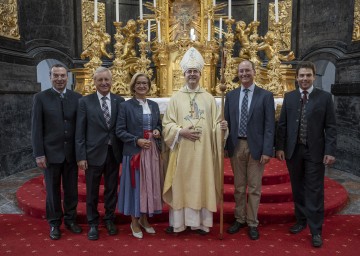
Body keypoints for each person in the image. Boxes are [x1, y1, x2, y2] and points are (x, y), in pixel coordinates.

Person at [162, 47, 228, 235]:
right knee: (181, 184)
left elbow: (215, 124)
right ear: (184, 74)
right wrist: (180, 131)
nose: (192, 74)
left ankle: (201, 223)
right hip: (181, 152)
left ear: (200, 73)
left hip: (202, 154)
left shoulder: (209, 99)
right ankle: (179, 223)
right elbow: (167, 124)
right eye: (189, 71)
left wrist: (221, 128)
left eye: (195, 71)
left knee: (201, 182)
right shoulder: (175, 99)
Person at [275, 61, 337, 248]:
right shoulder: (290, 97)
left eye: (308, 75)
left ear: (313, 76)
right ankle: (301, 220)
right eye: (301, 75)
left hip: (315, 152)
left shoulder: (325, 98)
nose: (304, 79)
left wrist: (330, 151)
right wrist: (280, 148)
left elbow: (331, 127)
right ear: (296, 78)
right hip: (294, 151)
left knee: (315, 190)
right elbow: (282, 125)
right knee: (298, 188)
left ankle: (316, 230)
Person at [224, 60, 275, 240]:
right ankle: (240, 218)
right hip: (236, 145)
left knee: (254, 187)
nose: (244, 73)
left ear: (254, 72)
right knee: (238, 187)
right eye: (241, 71)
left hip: (256, 147)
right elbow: (227, 122)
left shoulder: (266, 96)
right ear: (237, 73)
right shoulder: (230, 96)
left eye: (247, 70)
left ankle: (252, 222)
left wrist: (267, 150)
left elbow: (270, 126)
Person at [31, 64, 82, 240]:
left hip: (71, 154)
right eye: (56, 76)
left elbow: (80, 128)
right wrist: (39, 153)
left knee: (71, 190)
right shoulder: (41, 98)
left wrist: (81, 153)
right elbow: (36, 128)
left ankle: (70, 220)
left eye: (62, 75)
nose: (59, 79)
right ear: (50, 77)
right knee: (52, 192)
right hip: (50, 153)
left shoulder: (77, 98)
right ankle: (54, 223)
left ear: (67, 77)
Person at [75, 67, 125, 240]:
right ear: (94, 82)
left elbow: (121, 129)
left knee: (111, 190)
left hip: (113, 153)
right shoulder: (85, 102)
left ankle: (109, 219)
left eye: (107, 80)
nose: (104, 83)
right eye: (100, 80)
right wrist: (81, 156)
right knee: (92, 192)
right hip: (92, 154)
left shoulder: (120, 101)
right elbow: (79, 132)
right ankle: (93, 223)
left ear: (112, 81)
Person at [116, 72, 163, 239]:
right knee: (136, 187)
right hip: (135, 152)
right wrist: (137, 140)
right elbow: (120, 131)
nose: (142, 86)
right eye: (139, 83)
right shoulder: (125, 106)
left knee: (149, 186)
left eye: (145, 83)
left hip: (151, 151)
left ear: (149, 86)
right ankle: (134, 222)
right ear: (133, 86)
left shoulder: (154, 105)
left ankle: (144, 219)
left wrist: (158, 130)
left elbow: (158, 124)